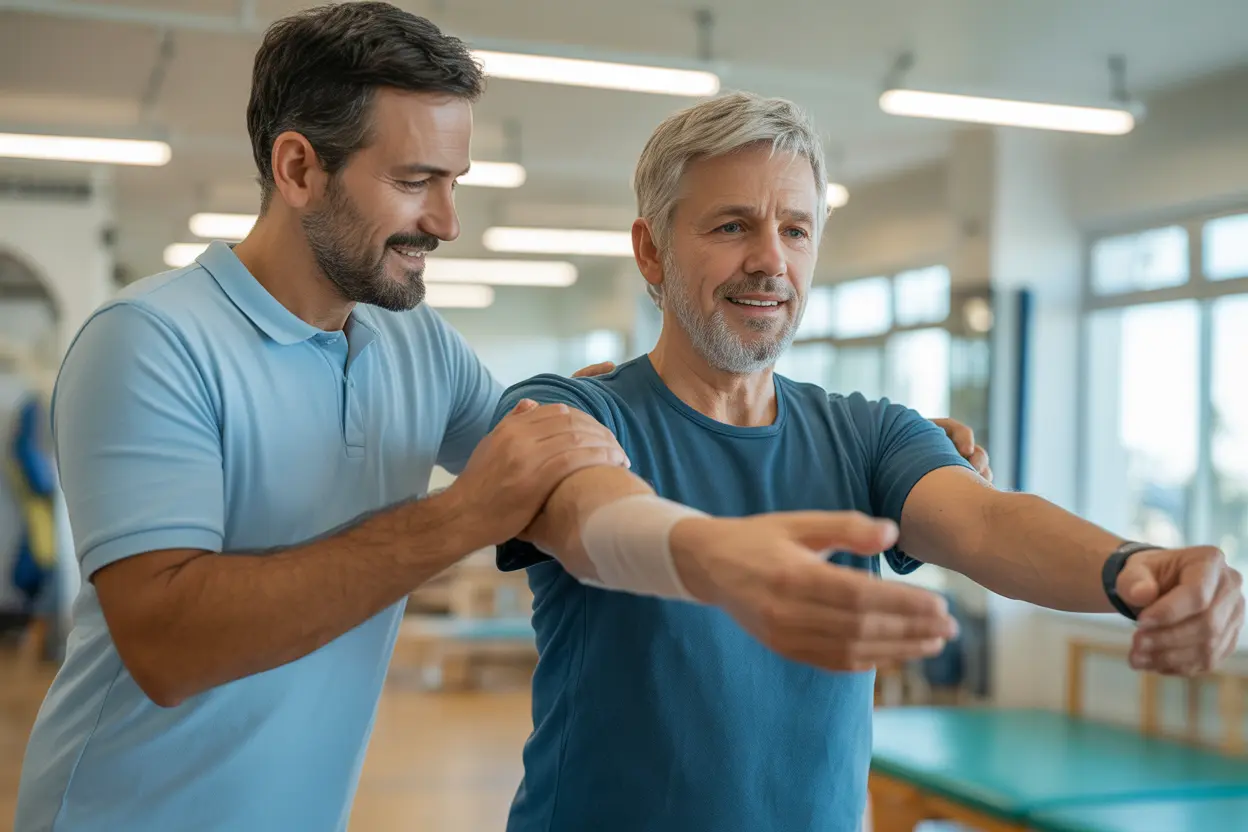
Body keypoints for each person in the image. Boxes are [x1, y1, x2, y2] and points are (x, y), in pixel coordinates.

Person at [12, 5, 987, 831]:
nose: (447, 221)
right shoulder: (149, 341)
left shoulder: (411, 343)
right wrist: (455, 516)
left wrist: (893, 463)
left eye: (454, 181)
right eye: (414, 181)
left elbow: (566, 468)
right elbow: (170, 645)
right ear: (299, 168)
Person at [490, 91, 1246, 832]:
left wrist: (1135, 567)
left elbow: (985, 524)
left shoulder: (869, 433)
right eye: (731, 226)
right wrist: (716, 558)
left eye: (795, 230)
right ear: (650, 249)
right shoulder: (573, 411)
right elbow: (594, 514)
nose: (769, 261)